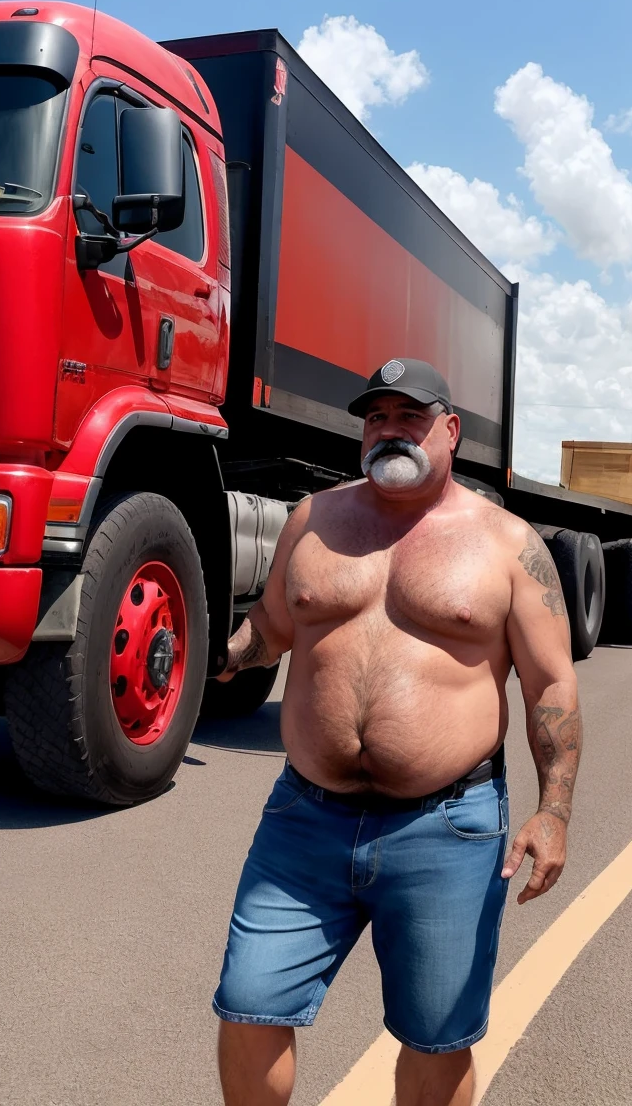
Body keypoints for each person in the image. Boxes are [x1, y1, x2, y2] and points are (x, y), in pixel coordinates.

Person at [212, 359, 581, 1106]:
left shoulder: (509, 545)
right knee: (247, 1006)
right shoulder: (312, 520)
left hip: (447, 829)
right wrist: (214, 660)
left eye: (409, 417)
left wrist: (553, 811)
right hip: (303, 822)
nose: (388, 430)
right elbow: (273, 629)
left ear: (450, 432)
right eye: (375, 417)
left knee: (436, 1040)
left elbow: (552, 686)